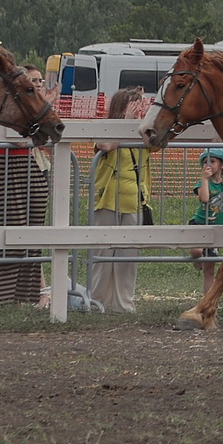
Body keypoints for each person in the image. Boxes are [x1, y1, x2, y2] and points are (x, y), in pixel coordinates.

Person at [89, 87, 152, 315]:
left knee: (128, 257)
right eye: (134, 105)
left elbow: (155, 142)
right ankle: (97, 301)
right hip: (107, 199)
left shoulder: (142, 130)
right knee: (103, 253)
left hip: (135, 201)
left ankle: (124, 304)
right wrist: (124, 122)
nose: (138, 110)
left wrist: (144, 120)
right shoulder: (105, 127)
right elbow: (106, 145)